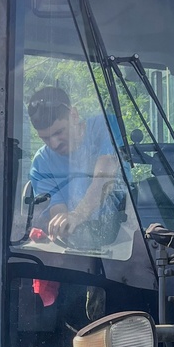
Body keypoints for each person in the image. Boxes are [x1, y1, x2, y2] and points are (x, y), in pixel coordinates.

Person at [26, 86, 123, 244]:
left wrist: (78, 214)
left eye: (59, 132)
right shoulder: (42, 161)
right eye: (45, 138)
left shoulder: (103, 126)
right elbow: (58, 210)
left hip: (125, 237)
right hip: (80, 244)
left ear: (74, 115)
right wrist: (62, 225)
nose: (54, 144)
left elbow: (104, 179)